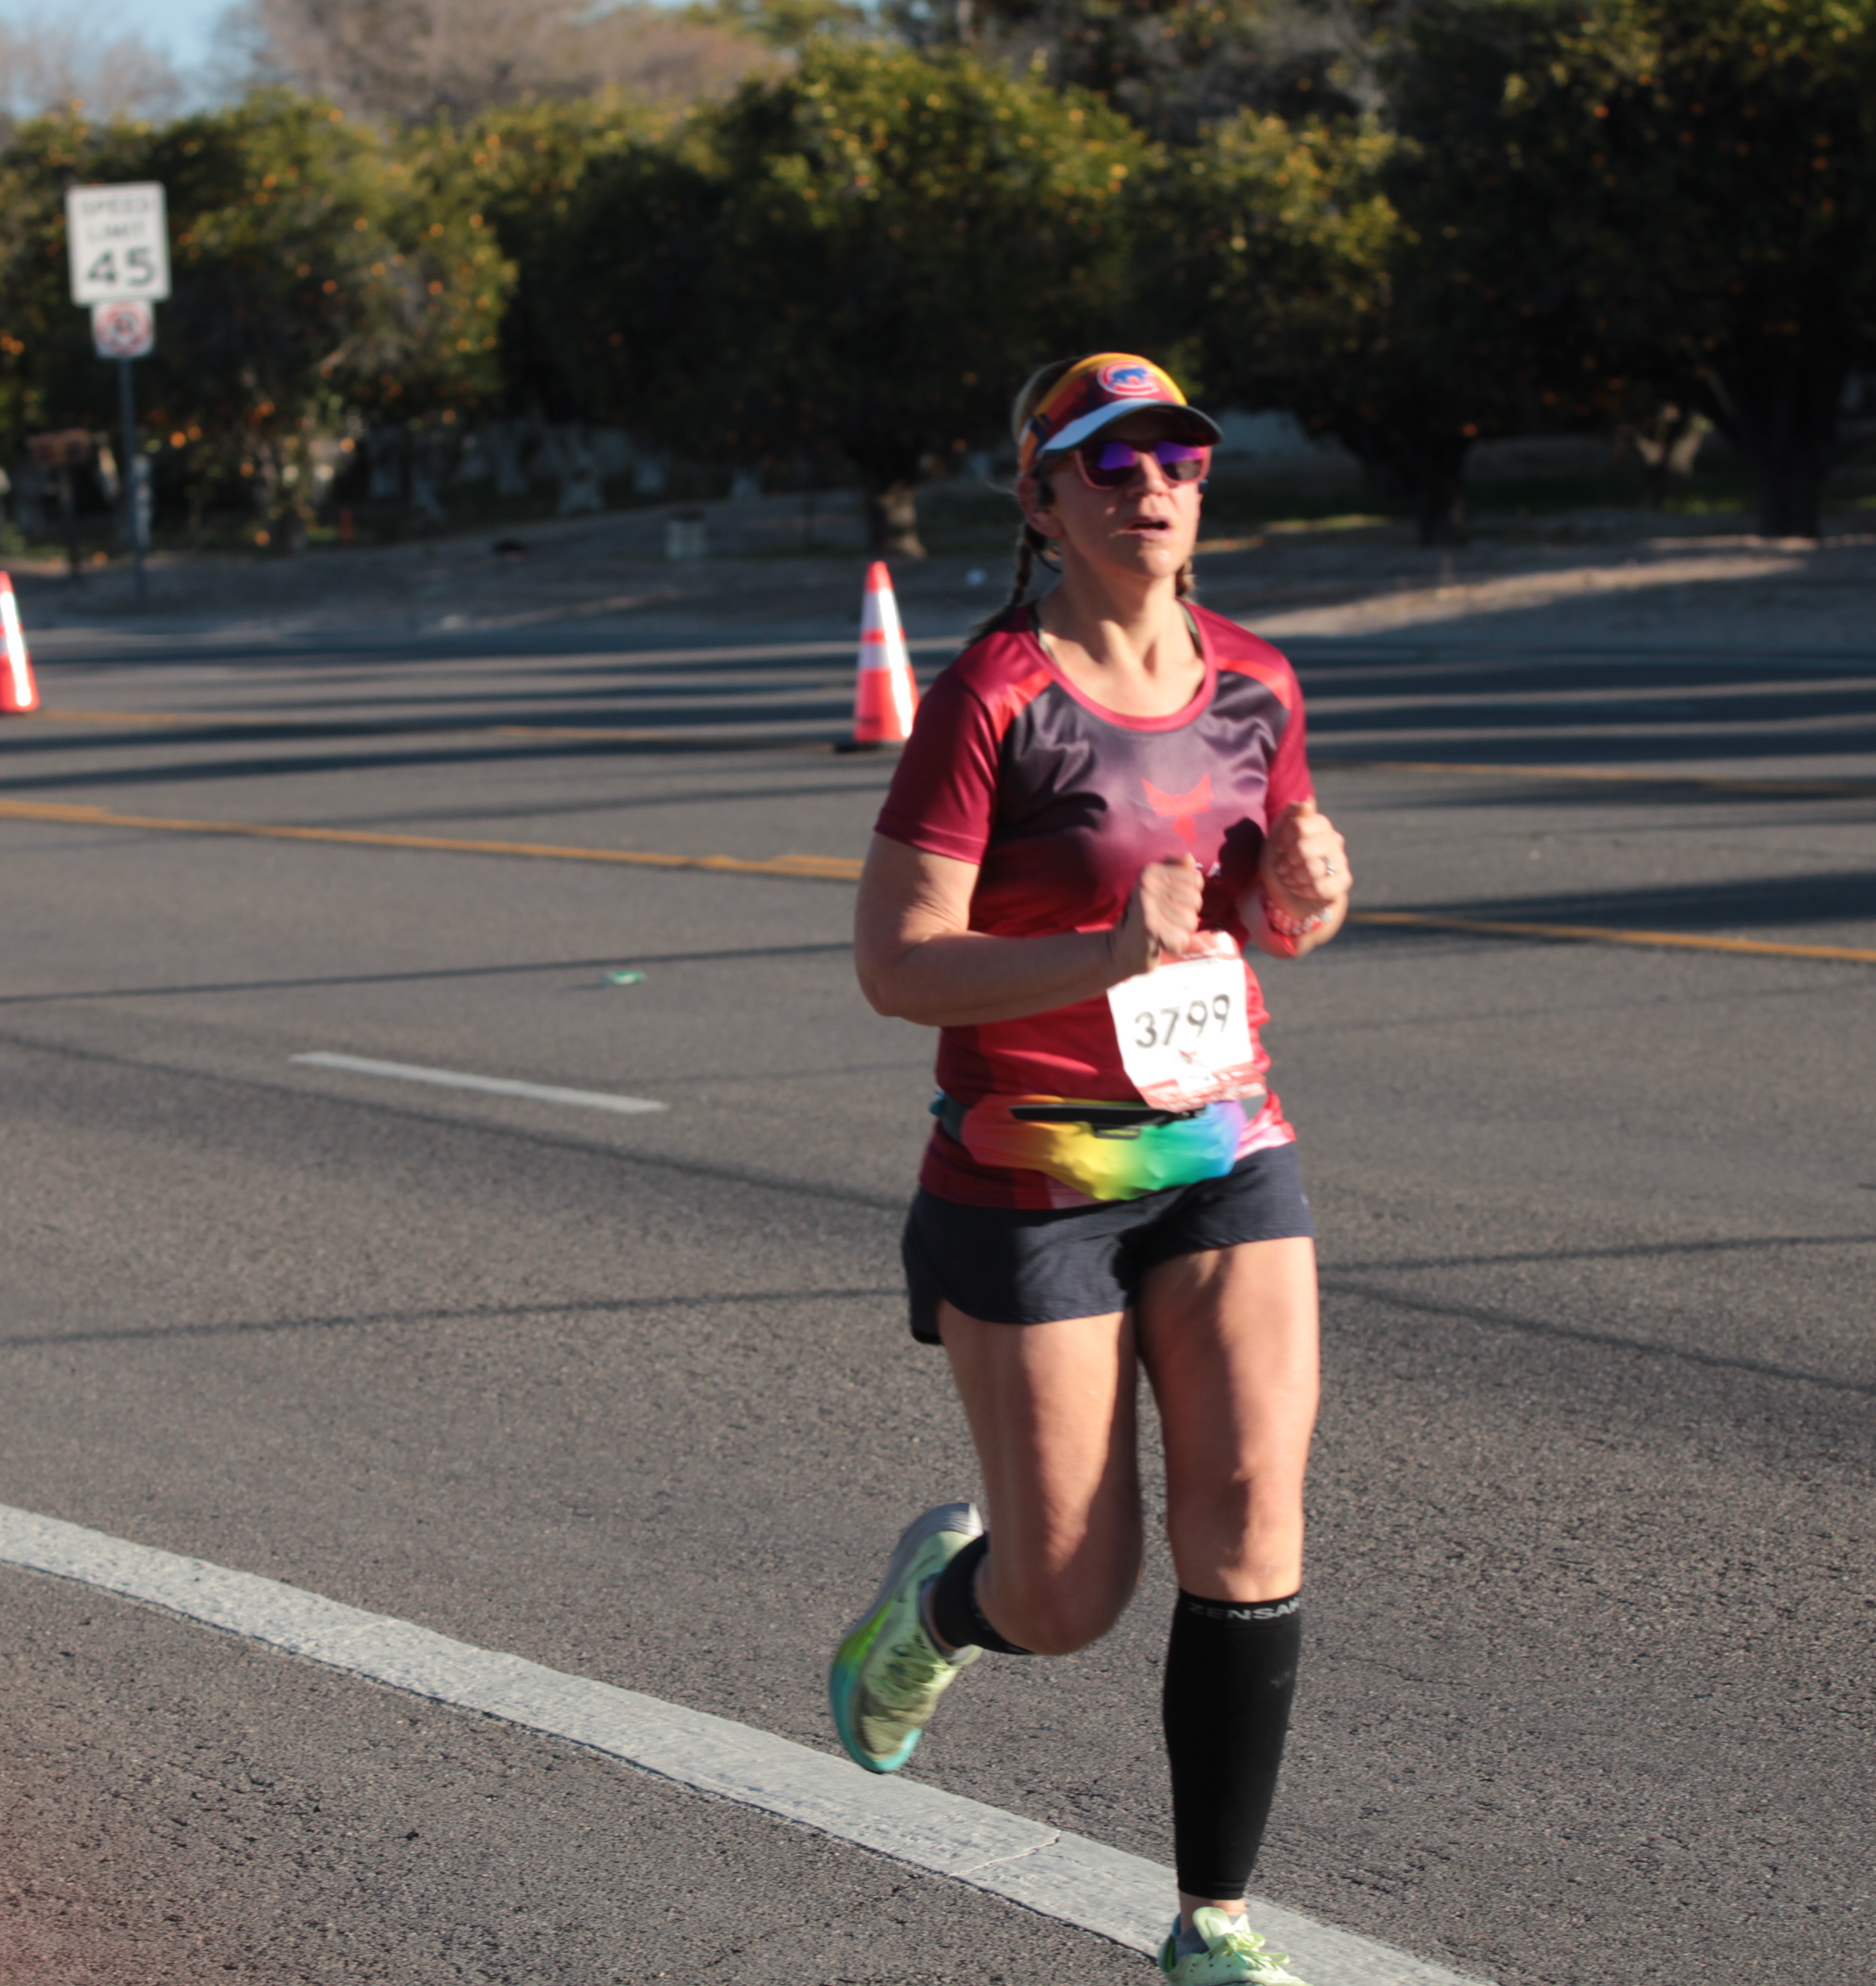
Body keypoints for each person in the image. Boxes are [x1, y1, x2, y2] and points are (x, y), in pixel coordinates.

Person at [831, 354, 1355, 1986]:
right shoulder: (993, 695)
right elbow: (896, 961)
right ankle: (936, 1610)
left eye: (1176, 459)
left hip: (1224, 1142)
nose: (1151, 488)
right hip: (1029, 1173)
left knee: (1252, 1512)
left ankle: (1213, 1925)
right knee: (1067, 1594)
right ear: (1041, 499)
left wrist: (1308, 896)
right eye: (1108, 464)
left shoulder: (1256, 680)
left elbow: (1260, 911)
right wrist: (1095, 956)